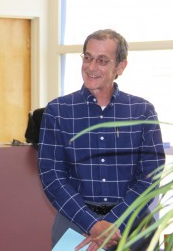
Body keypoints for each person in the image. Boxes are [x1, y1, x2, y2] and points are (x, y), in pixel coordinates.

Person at [38, 29, 165, 251]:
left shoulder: (142, 111)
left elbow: (150, 176)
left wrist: (114, 223)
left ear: (120, 67)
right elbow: (52, 176)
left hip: (133, 226)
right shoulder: (58, 111)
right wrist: (93, 224)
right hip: (74, 223)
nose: (91, 67)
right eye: (87, 57)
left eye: (102, 60)